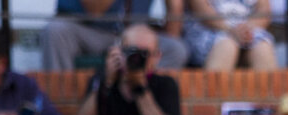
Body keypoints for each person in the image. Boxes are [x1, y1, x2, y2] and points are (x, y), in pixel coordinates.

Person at [41, 0, 188, 71]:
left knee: (176, 49)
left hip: (132, 34)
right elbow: (95, 10)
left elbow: (173, 25)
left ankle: (139, 92)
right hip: (90, 30)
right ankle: (60, 107)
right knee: (55, 31)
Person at [75, 25, 181, 115]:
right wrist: (106, 83)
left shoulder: (166, 85)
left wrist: (140, 88)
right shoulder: (103, 79)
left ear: (157, 57)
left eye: (144, 53)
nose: (137, 59)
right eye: (132, 52)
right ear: (119, 51)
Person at [184, 0, 277, 70]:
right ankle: (214, 94)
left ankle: (270, 95)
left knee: (262, 46)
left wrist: (247, 29)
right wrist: (230, 29)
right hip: (210, 29)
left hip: (247, 29)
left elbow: (264, 11)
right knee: (227, 45)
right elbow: (201, 10)